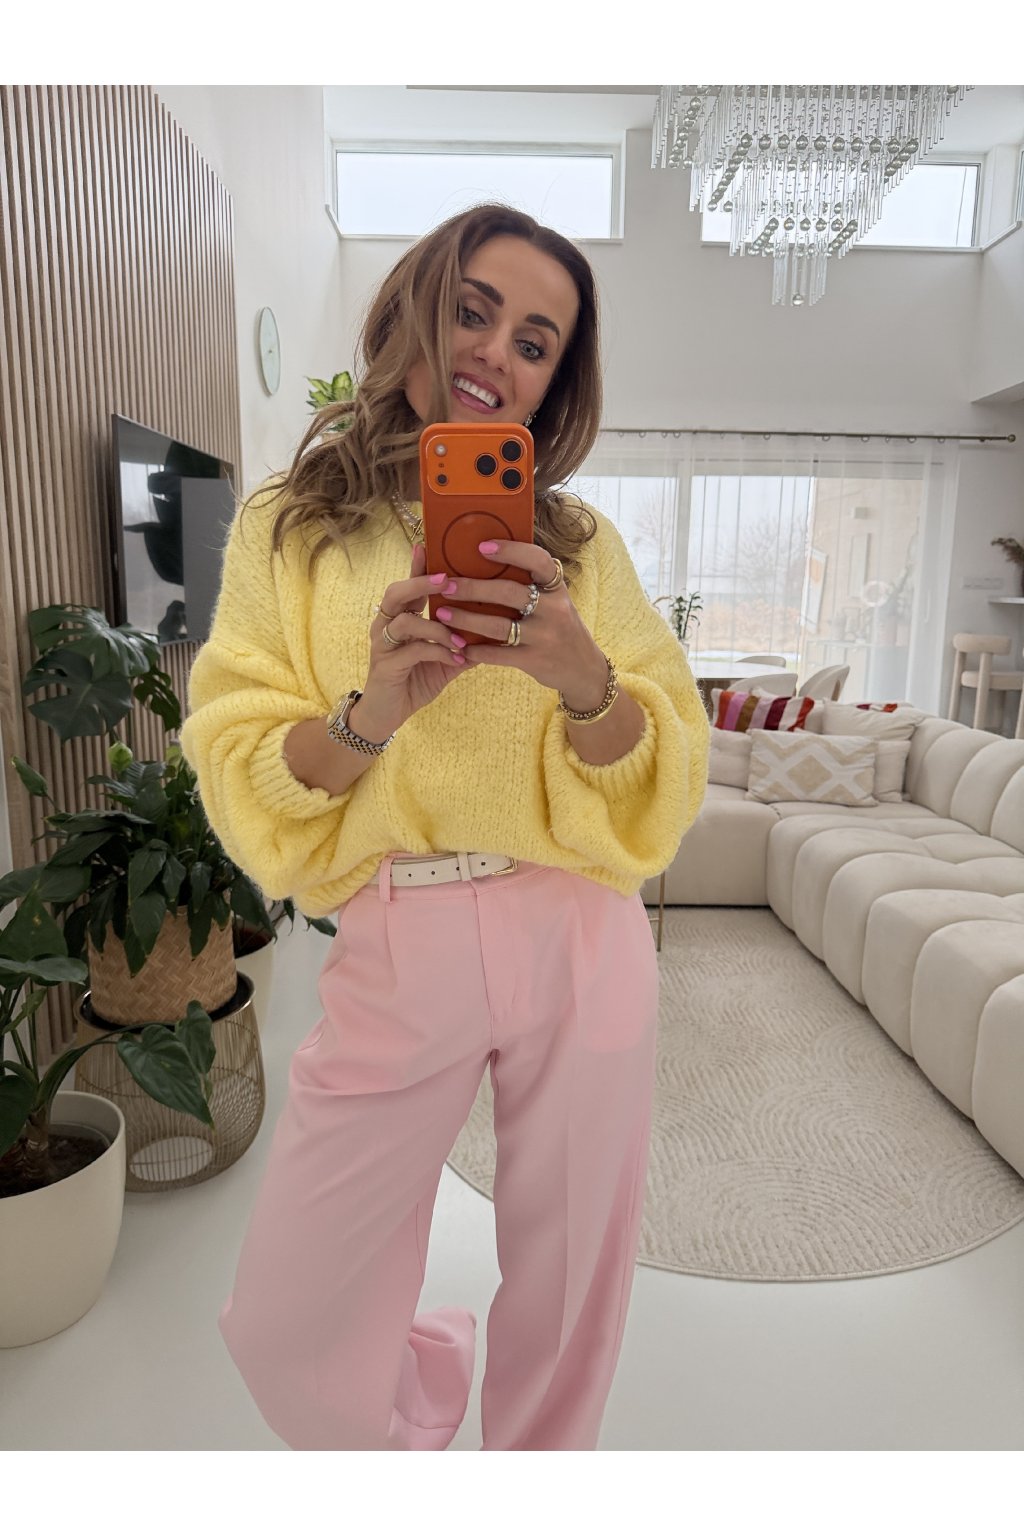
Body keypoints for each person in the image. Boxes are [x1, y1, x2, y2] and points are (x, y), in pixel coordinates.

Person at [179, 202, 709, 1452]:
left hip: (577, 929)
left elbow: (668, 760)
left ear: (553, 385)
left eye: (535, 342)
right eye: (474, 310)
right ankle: (412, 1432)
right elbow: (238, 743)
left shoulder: (579, 548)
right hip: (398, 927)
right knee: (288, 1317)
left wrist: (586, 682)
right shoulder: (288, 524)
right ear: (414, 309)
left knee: (572, 1288)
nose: (494, 354)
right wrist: (371, 714)